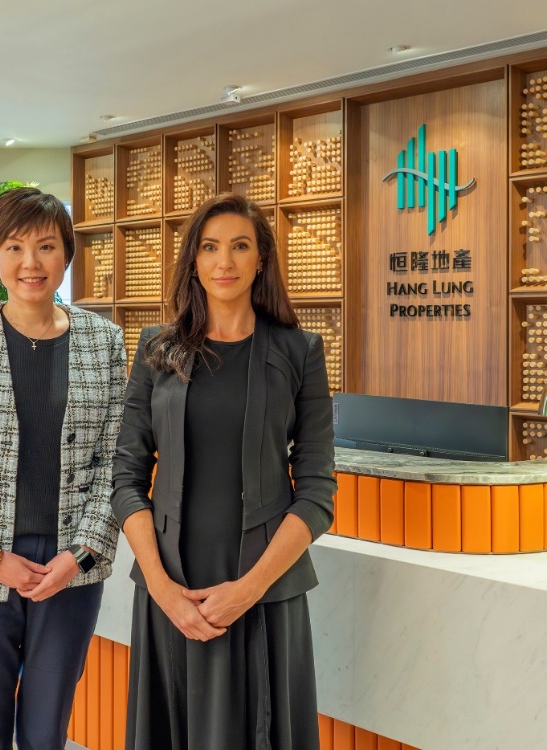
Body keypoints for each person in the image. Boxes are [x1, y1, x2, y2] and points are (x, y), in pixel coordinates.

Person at [111, 192, 336, 749]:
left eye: (240, 246)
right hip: (171, 587)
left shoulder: (299, 351)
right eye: (210, 247)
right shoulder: (156, 350)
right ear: (193, 260)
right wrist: (162, 589)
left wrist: (248, 589)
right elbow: (125, 478)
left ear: (262, 259)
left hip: (264, 589)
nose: (225, 262)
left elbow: (316, 492)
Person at [0, 186, 126, 750]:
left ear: (66, 255)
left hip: (67, 568)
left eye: (46, 246)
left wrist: (79, 554)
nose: (30, 262)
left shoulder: (103, 341)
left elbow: (116, 462)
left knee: (47, 730)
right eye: (14, 247)